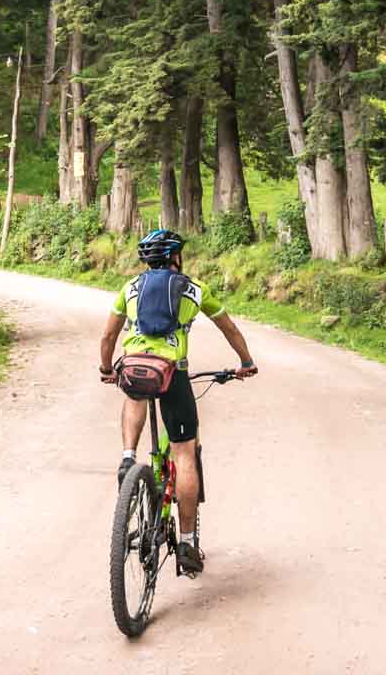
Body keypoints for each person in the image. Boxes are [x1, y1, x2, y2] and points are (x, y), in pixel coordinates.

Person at [98, 228, 256, 575]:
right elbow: (229, 328)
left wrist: (107, 368)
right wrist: (245, 362)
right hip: (173, 374)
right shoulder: (194, 289)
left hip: (136, 365)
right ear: (175, 257)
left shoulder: (130, 288)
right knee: (184, 454)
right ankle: (186, 541)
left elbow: (109, 334)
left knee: (133, 389)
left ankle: (128, 457)